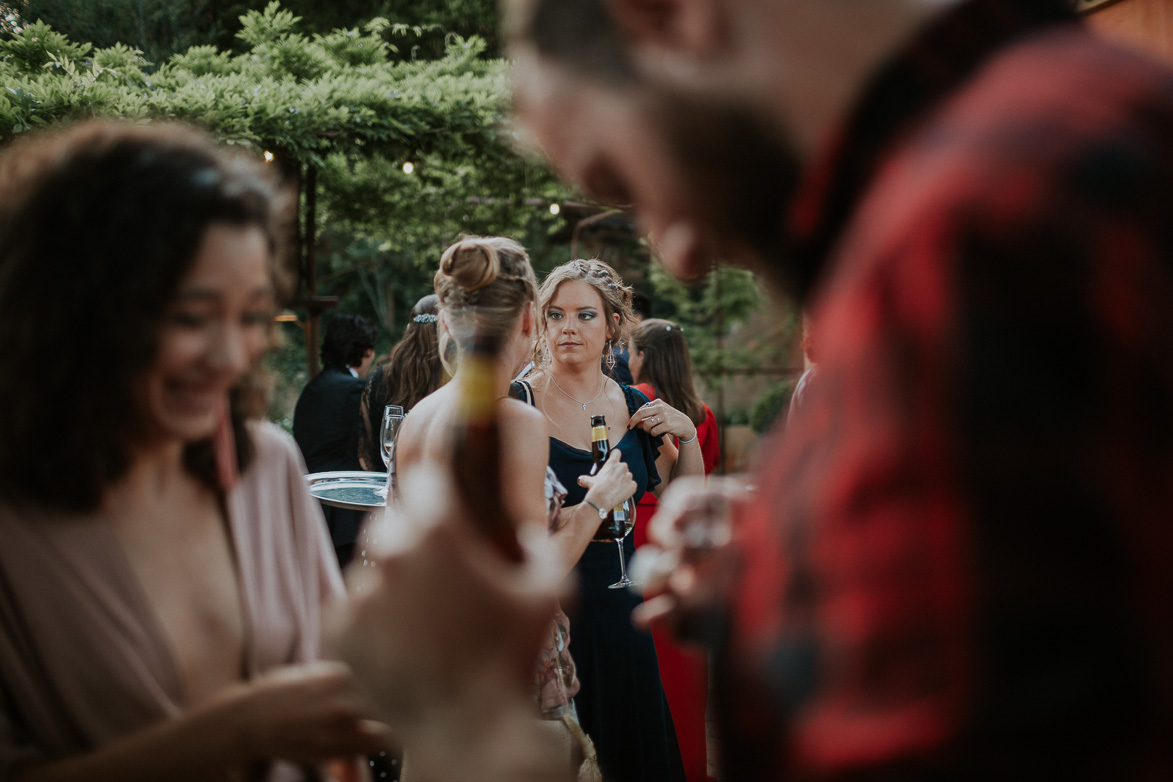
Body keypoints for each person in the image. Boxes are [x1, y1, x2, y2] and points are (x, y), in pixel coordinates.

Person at [502, 0, 1173, 779]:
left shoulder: (963, 239)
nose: (679, 250)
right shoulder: (1077, 117)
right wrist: (792, 549)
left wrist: (453, 723)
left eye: (627, 177)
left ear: (663, 17)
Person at [0, 121, 387, 780]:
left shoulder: (268, 467)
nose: (229, 357)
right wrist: (240, 730)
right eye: (190, 316)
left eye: (250, 317)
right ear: (76, 310)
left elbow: (340, 687)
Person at [393, 237, 638, 778]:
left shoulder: (420, 416)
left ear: (449, 321)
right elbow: (526, 582)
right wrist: (597, 502)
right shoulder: (514, 421)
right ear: (530, 318)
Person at [510, 259, 704, 782]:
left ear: (613, 325)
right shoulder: (519, 405)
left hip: (623, 615)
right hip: (553, 622)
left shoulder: (636, 406)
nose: (567, 327)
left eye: (584, 315)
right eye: (555, 314)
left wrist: (685, 436)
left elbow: (685, 500)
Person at [627, 316, 718, 782]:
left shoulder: (636, 400)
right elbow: (703, 485)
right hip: (681, 537)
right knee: (682, 667)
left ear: (641, 354)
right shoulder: (703, 411)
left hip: (638, 527)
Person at [358, 295, 444, 473]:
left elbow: (365, 452)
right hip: (436, 490)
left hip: (385, 486)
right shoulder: (453, 379)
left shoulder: (379, 377)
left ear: (408, 329)